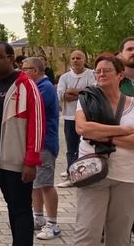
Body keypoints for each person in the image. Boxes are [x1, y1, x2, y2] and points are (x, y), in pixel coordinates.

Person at [0, 42, 44, 246]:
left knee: (22, 208)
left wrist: (31, 160)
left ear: (10, 57)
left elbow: (37, 123)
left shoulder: (25, 84)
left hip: (18, 158)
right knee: (12, 204)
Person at [73, 55, 134, 245]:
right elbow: (83, 129)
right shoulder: (87, 99)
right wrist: (122, 131)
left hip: (127, 176)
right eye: (98, 71)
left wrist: (102, 135)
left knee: (120, 234)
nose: (101, 74)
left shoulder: (133, 104)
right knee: (87, 232)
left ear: (120, 75)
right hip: (93, 172)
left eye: (107, 70)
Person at [21, 58, 61, 239]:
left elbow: (30, 109)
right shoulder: (36, 86)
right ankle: (38, 217)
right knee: (35, 183)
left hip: (45, 142)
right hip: (35, 143)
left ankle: (53, 223)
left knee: (45, 184)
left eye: (25, 69)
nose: (22, 72)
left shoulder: (44, 88)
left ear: (35, 70)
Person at [56, 49, 95, 188]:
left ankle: (87, 174)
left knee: (86, 146)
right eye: (73, 58)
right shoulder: (64, 77)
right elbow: (61, 95)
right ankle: (71, 175)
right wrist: (83, 92)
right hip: (69, 117)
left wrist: (72, 91)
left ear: (84, 60)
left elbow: (93, 93)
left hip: (88, 117)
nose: (75, 60)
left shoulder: (92, 75)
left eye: (79, 58)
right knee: (71, 147)